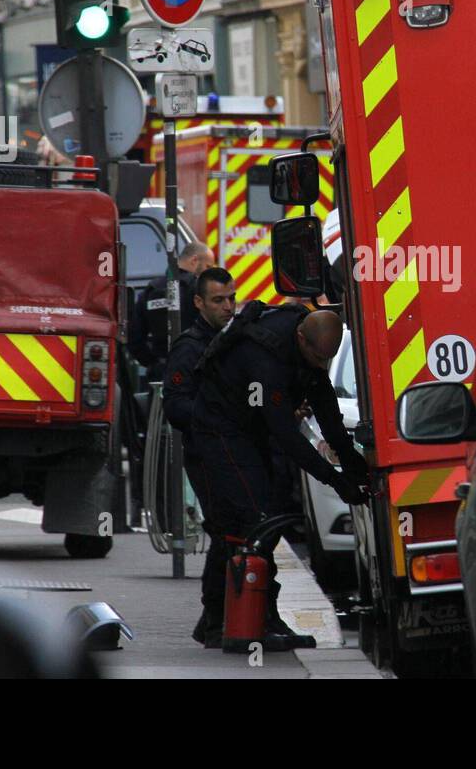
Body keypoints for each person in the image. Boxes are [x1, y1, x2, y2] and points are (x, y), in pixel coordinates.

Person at [189, 306, 370, 650]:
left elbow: (327, 408)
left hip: (249, 430)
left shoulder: (307, 349)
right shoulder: (265, 360)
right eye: (317, 358)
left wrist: (353, 462)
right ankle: (249, 620)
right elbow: (287, 437)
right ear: (301, 338)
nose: (320, 367)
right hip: (219, 431)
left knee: (257, 517)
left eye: (326, 361)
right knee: (253, 520)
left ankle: (220, 620)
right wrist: (335, 480)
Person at [161, 268, 237, 647]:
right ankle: (213, 618)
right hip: (205, 454)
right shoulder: (190, 347)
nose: (227, 307)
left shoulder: (232, 339)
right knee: (224, 530)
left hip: (230, 452)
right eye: (218, 301)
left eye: (230, 299)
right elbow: (176, 406)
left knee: (233, 531)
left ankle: (216, 620)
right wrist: (216, 417)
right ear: (198, 303)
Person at [130, 241, 215, 382]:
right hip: (193, 373)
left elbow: (134, 337)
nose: (208, 273)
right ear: (194, 260)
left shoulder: (151, 290)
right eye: (208, 267)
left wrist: (153, 363)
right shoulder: (198, 290)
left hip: (160, 374)